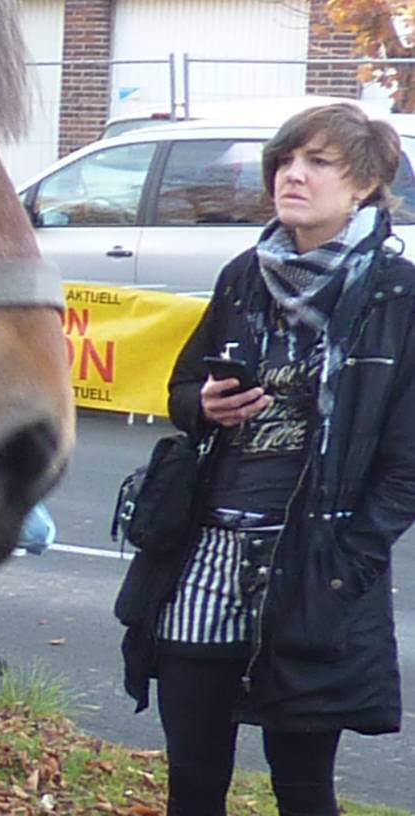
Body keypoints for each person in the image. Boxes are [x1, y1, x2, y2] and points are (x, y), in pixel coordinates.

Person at [114, 102, 415, 816]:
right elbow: (182, 387)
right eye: (284, 161)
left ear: (366, 184)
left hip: (311, 565)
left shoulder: (395, 296)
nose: (293, 175)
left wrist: (348, 560)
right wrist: (202, 405)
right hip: (205, 558)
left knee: (302, 787)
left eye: (317, 163)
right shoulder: (243, 274)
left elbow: (405, 465)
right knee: (191, 776)